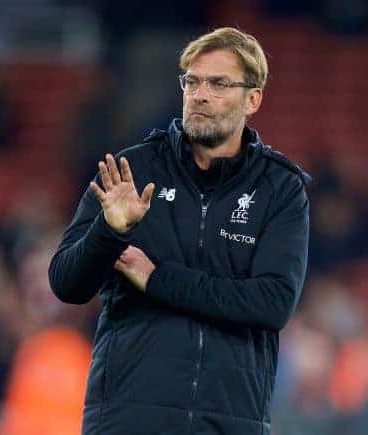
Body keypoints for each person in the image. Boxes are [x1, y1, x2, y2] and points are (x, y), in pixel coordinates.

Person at [49, 27, 310, 435]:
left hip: (228, 423)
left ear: (253, 98)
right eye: (192, 81)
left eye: (219, 84)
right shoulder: (131, 172)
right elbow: (66, 283)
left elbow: (272, 304)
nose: (200, 94)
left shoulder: (279, 188)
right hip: (128, 419)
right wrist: (109, 230)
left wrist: (157, 279)